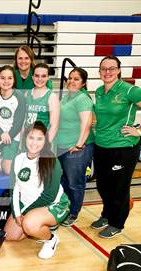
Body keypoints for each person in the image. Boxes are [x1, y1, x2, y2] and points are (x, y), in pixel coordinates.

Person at [91, 55, 141, 238]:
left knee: (119, 188)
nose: (107, 72)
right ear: (99, 72)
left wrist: (139, 131)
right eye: (103, 69)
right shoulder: (99, 91)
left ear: (118, 70)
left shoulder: (129, 90)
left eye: (111, 68)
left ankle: (117, 223)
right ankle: (107, 215)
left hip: (122, 147)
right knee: (103, 185)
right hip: (101, 145)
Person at [4, 122, 70, 259]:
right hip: (28, 205)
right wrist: (17, 213)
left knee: (29, 224)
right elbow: (14, 189)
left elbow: (49, 196)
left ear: (45, 141)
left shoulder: (51, 161)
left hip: (53, 204)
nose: (34, 142)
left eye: (39, 139)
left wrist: (25, 213)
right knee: (10, 236)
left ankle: (51, 239)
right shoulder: (18, 159)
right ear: (25, 139)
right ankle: (39, 226)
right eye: (31, 138)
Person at [55, 68, 94, 226]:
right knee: (64, 180)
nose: (71, 81)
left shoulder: (82, 98)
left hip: (77, 149)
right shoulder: (66, 97)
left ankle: (73, 212)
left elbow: (87, 123)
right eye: (70, 78)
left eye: (76, 79)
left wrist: (79, 144)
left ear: (83, 83)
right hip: (62, 146)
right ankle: (64, 208)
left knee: (75, 182)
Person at [25, 63, 60, 143]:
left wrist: (44, 145)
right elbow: (24, 121)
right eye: (37, 76)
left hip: (44, 141)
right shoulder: (27, 94)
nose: (39, 79)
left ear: (48, 78)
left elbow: (54, 126)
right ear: (32, 77)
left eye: (43, 76)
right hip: (29, 139)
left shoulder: (52, 97)